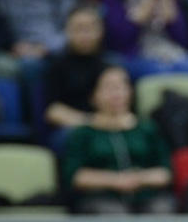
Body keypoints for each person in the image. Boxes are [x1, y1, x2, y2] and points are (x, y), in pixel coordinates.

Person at [60, 65, 176, 213]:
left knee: (162, 209)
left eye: (121, 86)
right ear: (93, 95)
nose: (116, 93)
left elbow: (165, 172)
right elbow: (75, 176)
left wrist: (138, 179)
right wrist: (115, 181)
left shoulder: (147, 129)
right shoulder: (83, 133)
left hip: (146, 196)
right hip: (101, 197)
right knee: (113, 213)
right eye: (108, 87)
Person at [43, 1, 113, 139]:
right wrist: (93, 123)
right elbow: (52, 111)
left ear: (101, 30)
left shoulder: (111, 64)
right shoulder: (56, 65)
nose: (85, 34)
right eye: (79, 28)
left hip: (109, 124)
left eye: (90, 28)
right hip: (73, 127)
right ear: (67, 31)